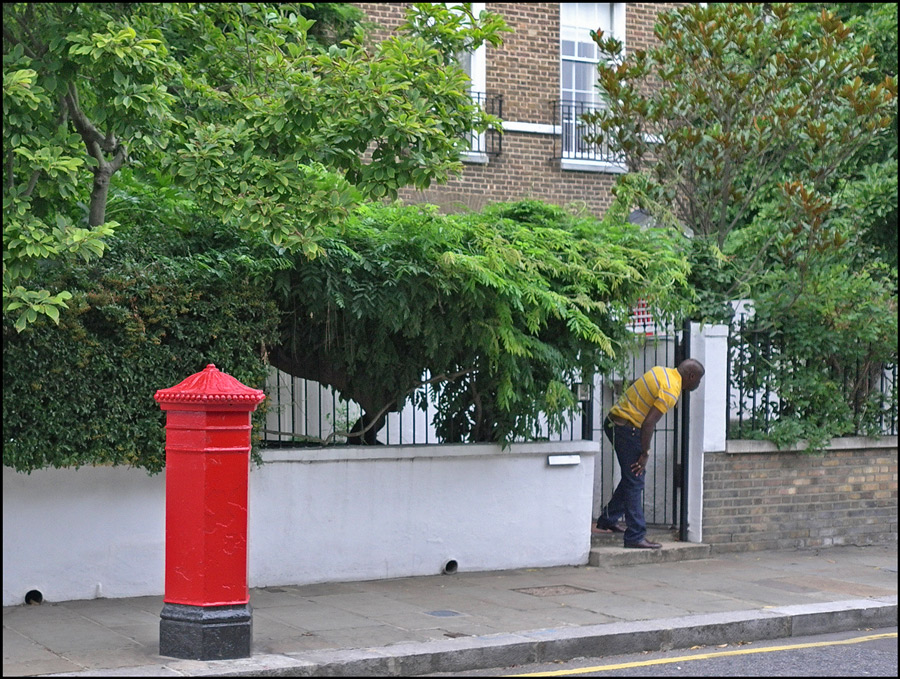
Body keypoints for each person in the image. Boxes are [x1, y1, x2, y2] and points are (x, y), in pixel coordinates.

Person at [593, 359, 705, 549]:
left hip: (613, 422)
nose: (698, 384)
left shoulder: (660, 371)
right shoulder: (670, 390)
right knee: (636, 477)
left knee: (633, 475)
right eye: (699, 380)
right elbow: (648, 424)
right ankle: (635, 536)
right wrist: (645, 453)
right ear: (691, 376)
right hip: (627, 428)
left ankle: (608, 519)